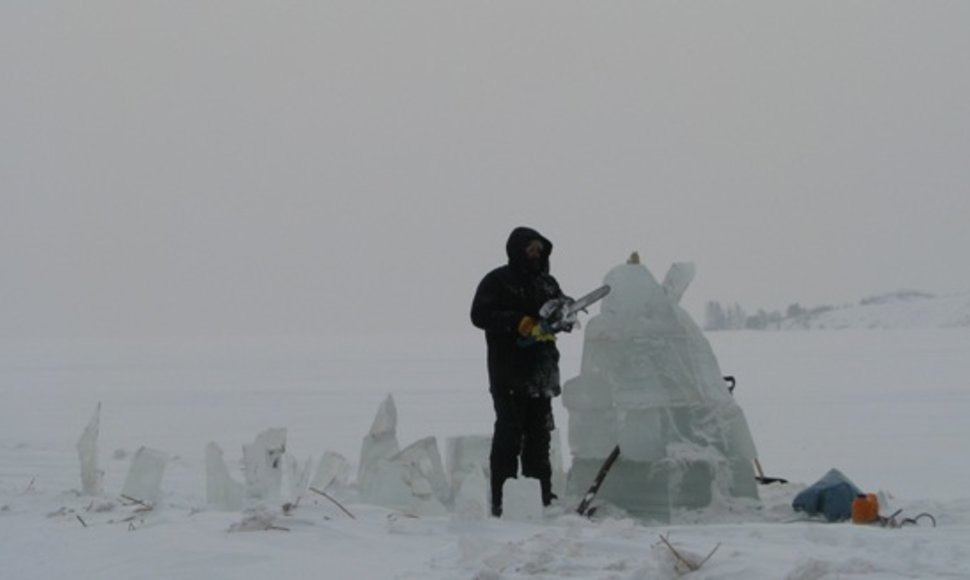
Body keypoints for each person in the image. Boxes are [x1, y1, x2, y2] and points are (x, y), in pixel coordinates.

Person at [470, 226, 569, 517]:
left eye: (540, 249)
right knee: (510, 434)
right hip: (508, 371)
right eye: (531, 249)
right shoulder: (498, 280)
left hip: (542, 372)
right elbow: (479, 315)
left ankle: (541, 497)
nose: (536, 254)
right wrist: (518, 322)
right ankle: (502, 499)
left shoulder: (548, 283)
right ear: (517, 250)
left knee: (540, 438)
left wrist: (564, 315)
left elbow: (560, 308)